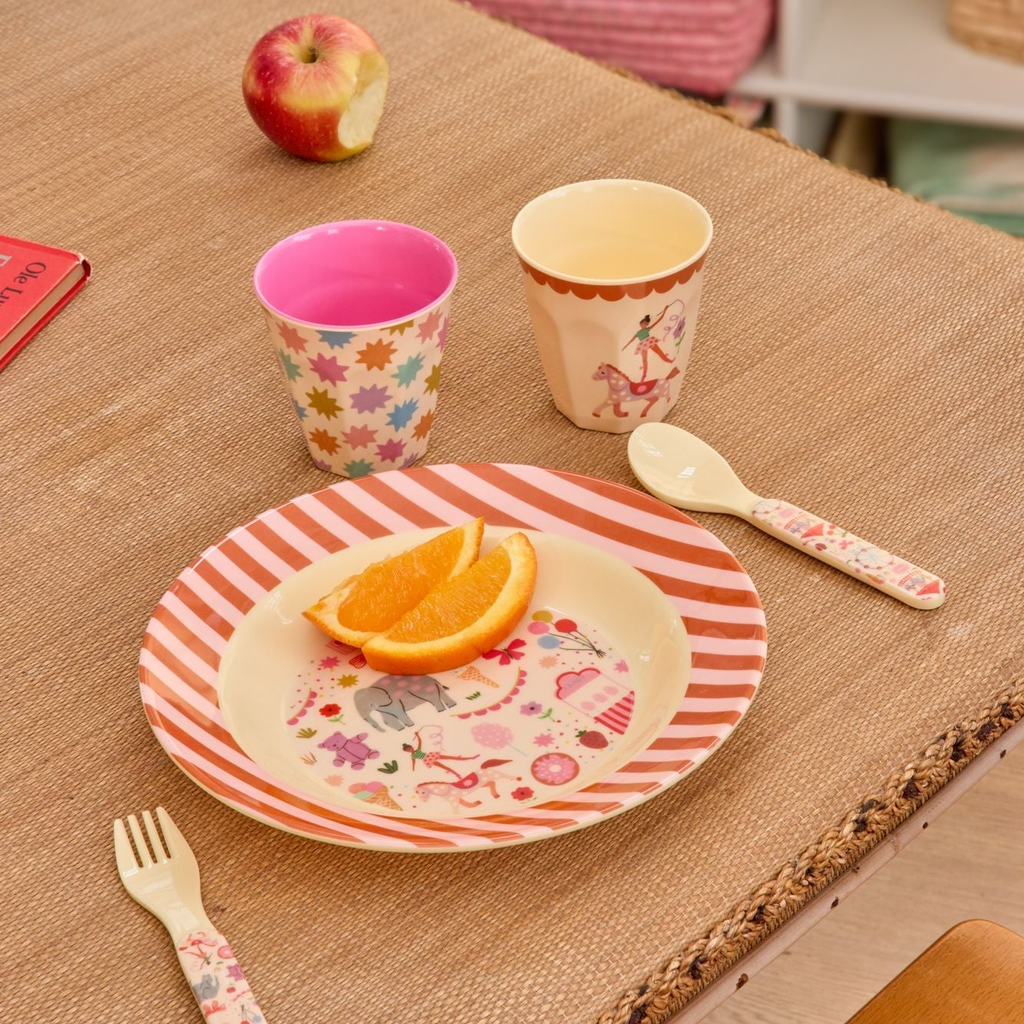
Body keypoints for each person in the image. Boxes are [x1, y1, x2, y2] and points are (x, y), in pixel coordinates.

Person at [623, 305, 673, 378]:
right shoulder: (638, 333)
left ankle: (669, 360)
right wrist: (625, 346)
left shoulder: (647, 329)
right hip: (642, 345)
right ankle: (644, 374)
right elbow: (631, 340)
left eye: (645, 324)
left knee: (659, 352)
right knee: (644, 359)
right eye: (642, 324)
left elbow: (658, 320)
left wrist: (665, 310)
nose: (643, 325)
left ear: (647, 324)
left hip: (649, 341)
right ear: (640, 324)